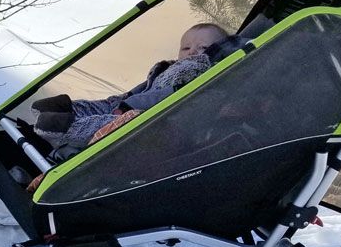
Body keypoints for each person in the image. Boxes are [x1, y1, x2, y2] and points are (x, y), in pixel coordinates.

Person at [31, 23, 230, 156]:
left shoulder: (204, 75)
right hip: (133, 108)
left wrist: (126, 106)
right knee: (108, 107)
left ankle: (65, 129)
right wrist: (122, 100)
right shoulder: (167, 68)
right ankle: (69, 111)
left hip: (154, 124)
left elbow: (167, 96)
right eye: (185, 48)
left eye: (203, 48)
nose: (193, 52)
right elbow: (140, 91)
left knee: (117, 123)